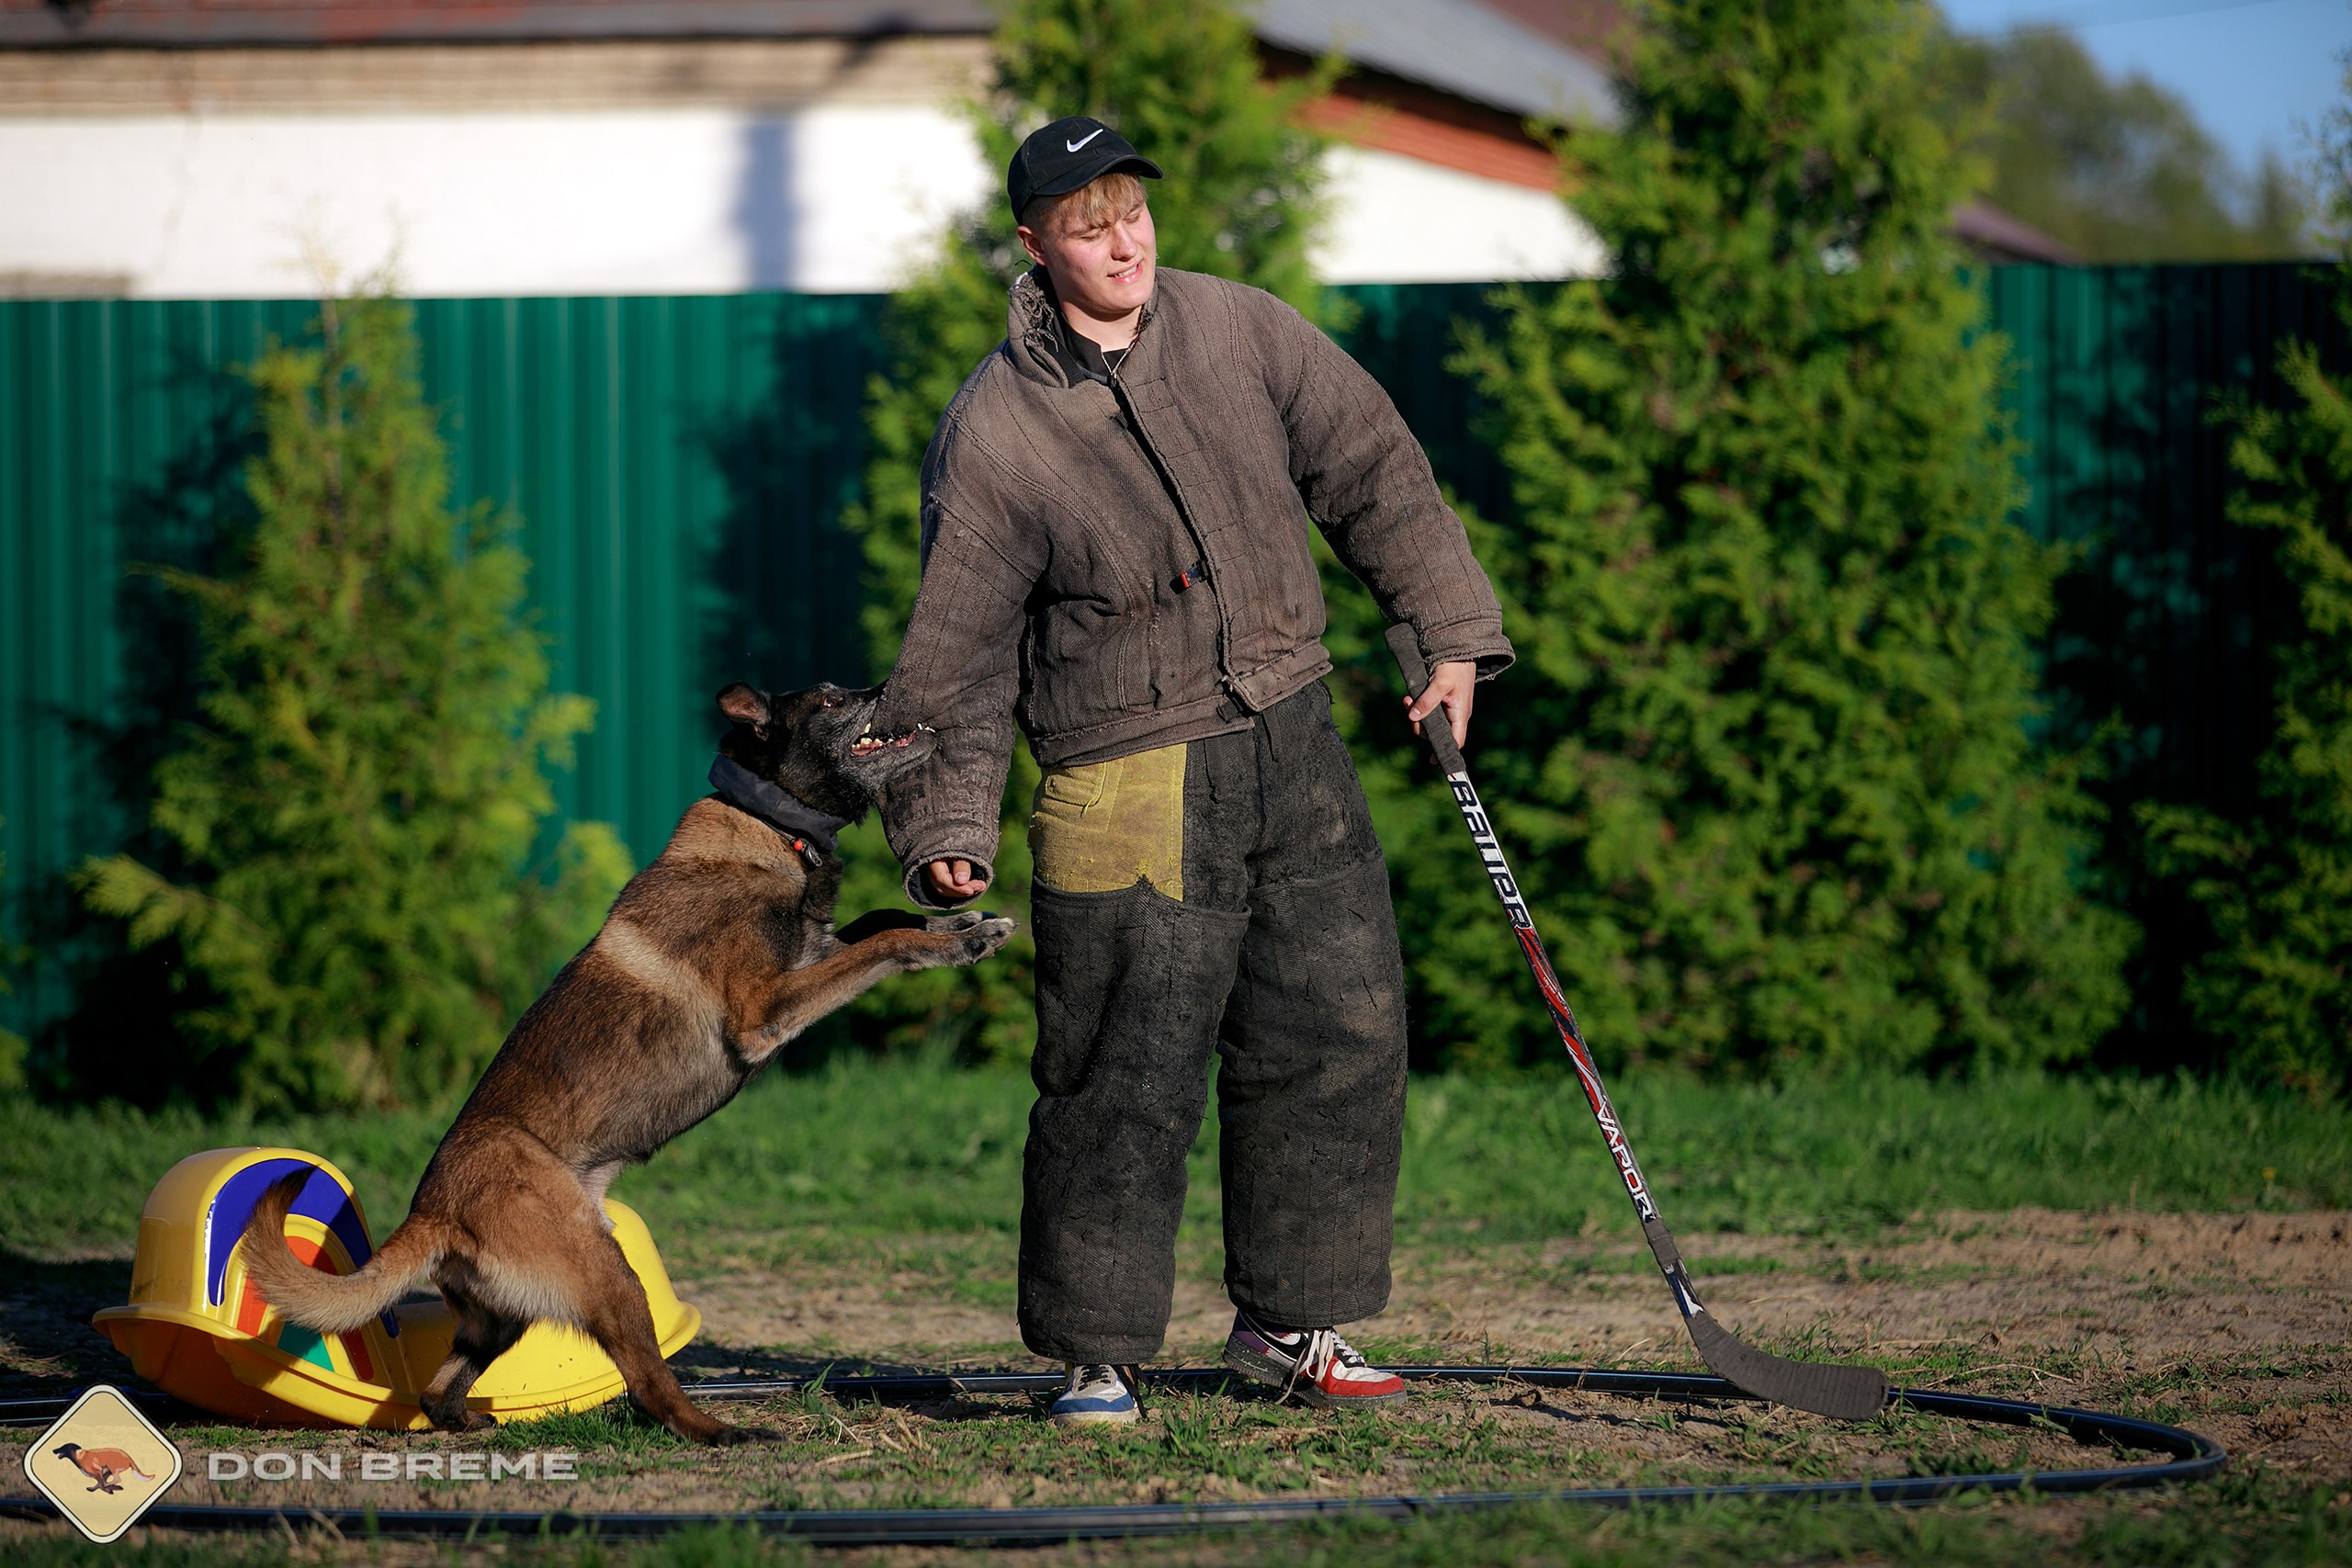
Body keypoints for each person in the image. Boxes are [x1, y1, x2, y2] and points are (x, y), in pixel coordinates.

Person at [874, 115, 1512, 1427]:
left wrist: (1449, 630)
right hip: (1126, 777)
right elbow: (956, 654)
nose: (1123, 242)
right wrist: (949, 817)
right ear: (1036, 241)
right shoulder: (998, 430)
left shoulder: (1239, 327)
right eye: (1089, 221)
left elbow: (1376, 471)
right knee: (1123, 1072)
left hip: (1293, 737)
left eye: (1134, 212)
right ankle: (1097, 1354)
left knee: (1336, 1030)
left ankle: (1292, 1327)